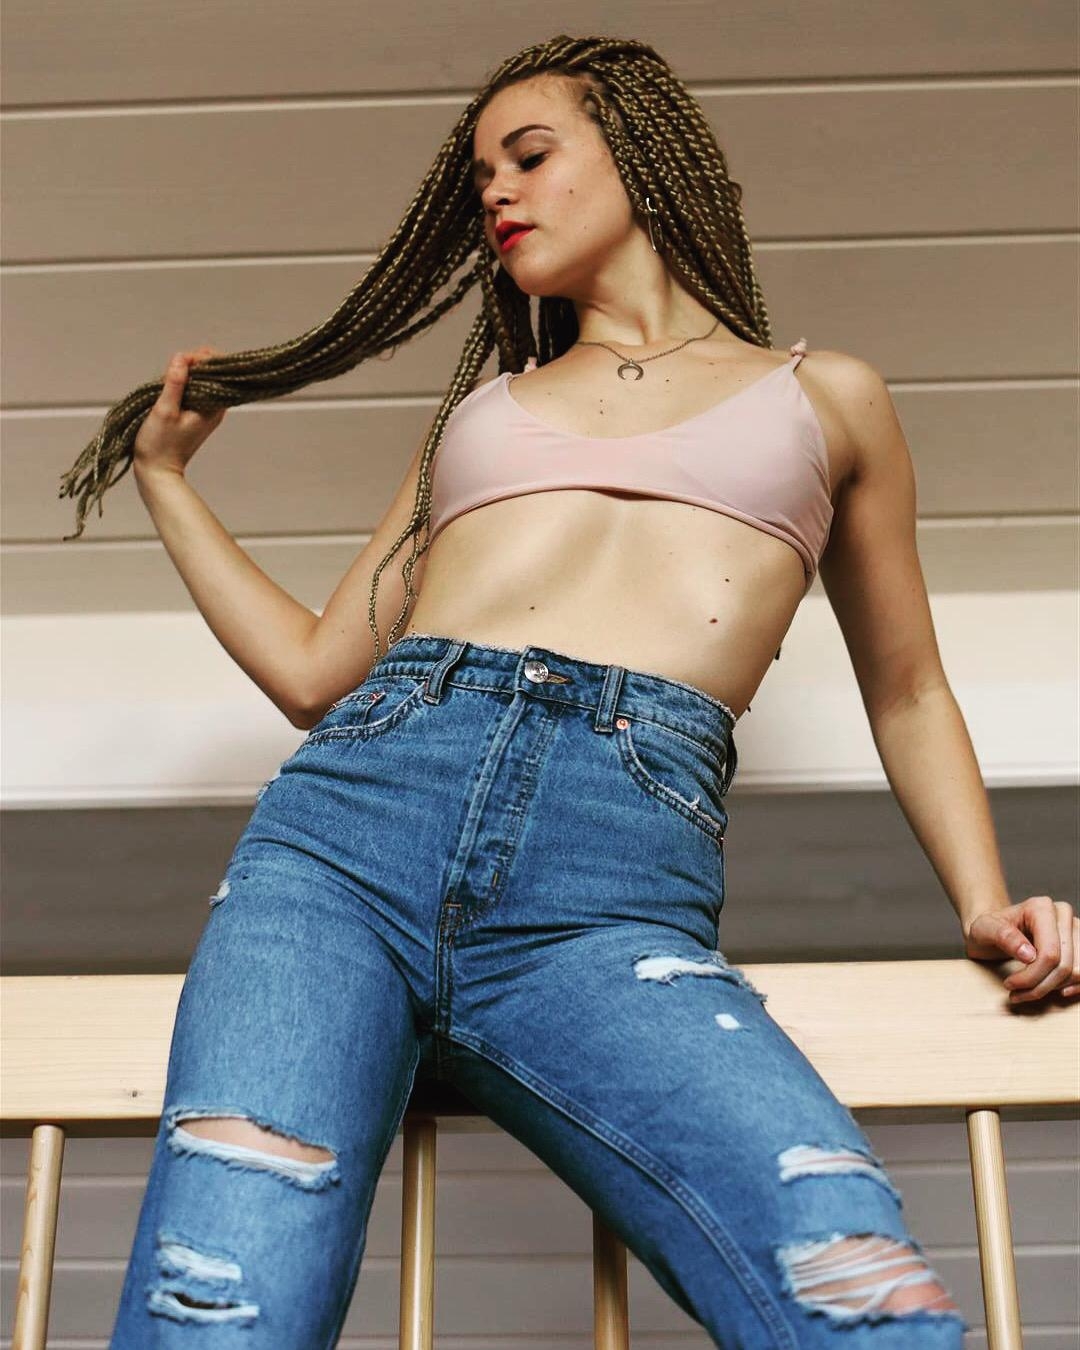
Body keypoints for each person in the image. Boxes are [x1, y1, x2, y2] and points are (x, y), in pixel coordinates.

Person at [96, 34, 1075, 1349]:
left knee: (859, 1287)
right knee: (217, 1308)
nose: (495, 193)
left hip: (605, 896)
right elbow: (317, 672)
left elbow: (907, 688)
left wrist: (981, 898)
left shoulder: (828, 399)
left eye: (529, 155)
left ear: (642, 154)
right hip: (340, 855)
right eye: (478, 179)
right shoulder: (479, 418)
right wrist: (164, 479)